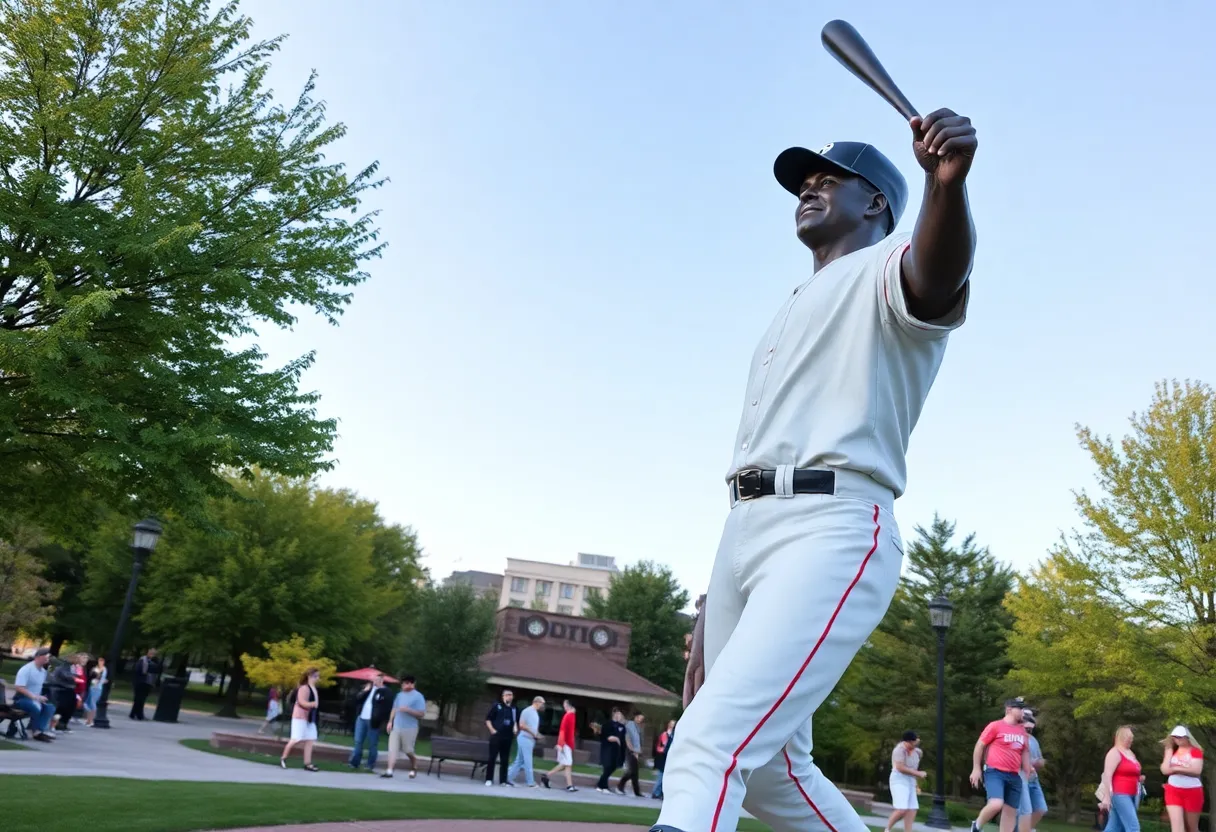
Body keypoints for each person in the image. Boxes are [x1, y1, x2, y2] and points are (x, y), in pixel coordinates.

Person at [655, 106, 979, 832]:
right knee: (770, 771)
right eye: (805, 180)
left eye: (832, 179)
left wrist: (946, 187)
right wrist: (719, 593)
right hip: (745, 529)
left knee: (707, 743)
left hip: (831, 521)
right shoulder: (796, 300)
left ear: (877, 205)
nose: (809, 187)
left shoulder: (889, 270)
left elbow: (937, 273)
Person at [970, 698, 1032, 832]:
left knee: (1010, 812)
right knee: (996, 803)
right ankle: (977, 826)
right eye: (1019, 708)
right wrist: (976, 768)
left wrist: (1027, 770)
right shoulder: (996, 726)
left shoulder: (1022, 731)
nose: (1022, 712)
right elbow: (980, 745)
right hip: (995, 772)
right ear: (1009, 709)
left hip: (1014, 776)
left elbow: (1025, 751)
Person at [6, 648, 56, 742]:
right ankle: (35, 731)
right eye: (46, 657)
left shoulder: (43, 672)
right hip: (21, 699)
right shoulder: (26, 669)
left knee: (50, 707)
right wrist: (34, 697)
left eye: (48, 658)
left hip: (36, 698)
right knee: (35, 707)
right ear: (38, 657)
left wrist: (41, 697)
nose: (47, 660)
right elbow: (19, 687)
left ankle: (39, 731)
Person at [382, 675, 427, 779]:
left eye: (406, 683)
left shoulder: (418, 696)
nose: (403, 685)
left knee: (408, 750)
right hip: (396, 726)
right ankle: (389, 771)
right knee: (392, 749)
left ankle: (414, 763)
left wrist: (408, 710)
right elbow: (394, 708)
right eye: (403, 683)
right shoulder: (399, 695)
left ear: (412, 684)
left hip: (410, 728)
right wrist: (390, 721)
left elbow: (421, 714)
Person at [1098, 726, 1142, 832]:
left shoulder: (1131, 753)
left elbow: (1131, 772)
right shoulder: (1114, 753)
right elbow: (1107, 776)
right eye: (1128, 737)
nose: (1131, 740)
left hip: (1133, 793)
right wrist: (1107, 797)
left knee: (1115, 827)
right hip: (1120, 794)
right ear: (1121, 737)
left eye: (1131, 738)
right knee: (1133, 827)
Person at [1161, 725, 1203, 832]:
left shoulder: (1195, 751)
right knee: (1177, 828)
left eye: (1180, 737)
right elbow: (1165, 770)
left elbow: (1196, 770)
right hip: (1173, 789)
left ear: (1187, 737)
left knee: (1192, 827)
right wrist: (1169, 751)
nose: (1177, 739)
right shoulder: (1171, 750)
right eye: (1175, 737)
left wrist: (1175, 768)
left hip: (1192, 791)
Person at [349, 671, 392, 771]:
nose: (374, 681)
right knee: (358, 741)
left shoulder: (386, 691)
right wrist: (365, 690)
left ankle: (370, 764)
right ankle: (355, 763)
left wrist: (380, 718)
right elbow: (357, 699)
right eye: (373, 679)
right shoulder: (369, 689)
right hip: (361, 718)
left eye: (376, 679)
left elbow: (387, 707)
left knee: (372, 743)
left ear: (381, 680)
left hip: (373, 720)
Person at [280, 668, 320, 772]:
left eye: (318, 676)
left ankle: (308, 763)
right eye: (316, 676)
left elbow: (317, 702)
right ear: (309, 676)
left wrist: (314, 702)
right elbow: (302, 702)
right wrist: (312, 704)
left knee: (310, 739)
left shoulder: (312, 688)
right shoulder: (304, 688)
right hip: (300, 716)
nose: (318, 678)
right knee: (296, 738)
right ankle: (283, 758)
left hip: (310, 718)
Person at [885, 730, 925, 832]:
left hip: (911, 781)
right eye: (911, 743)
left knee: (912, 809)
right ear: (906, 741)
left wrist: (916, 784)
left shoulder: (918, 752)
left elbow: (914, 768)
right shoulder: (899, 750)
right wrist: (918, 774)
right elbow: (900, 767)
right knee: (902, 809)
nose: (913, 744)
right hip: (899, 779)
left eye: (915, 742)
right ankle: (887, 829)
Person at [1018, 710, 1049, 832]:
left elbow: (1040, 759)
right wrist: (1028, 764)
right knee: (1024, 810)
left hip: (1033, 779)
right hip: (1021, 778)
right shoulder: (1016, 737)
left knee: (1041, 809)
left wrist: (1040, 762)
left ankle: (1026, 829)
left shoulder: (1033, 740)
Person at [541, 699, 579, 792]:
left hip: (566, 744)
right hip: (566, 744)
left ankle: (547, 776)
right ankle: (569, 786)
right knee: (568, 764)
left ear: (569, 705)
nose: (564, 707)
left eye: (565, 705)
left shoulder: (571, 716)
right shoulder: (569, 716)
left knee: (565, 764)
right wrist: (561, 744)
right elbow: (563, 731)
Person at [507, 696, 546, 787]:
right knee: (528, 761)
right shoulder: (527, 711)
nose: (543, 705)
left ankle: (507, 779)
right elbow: (522, 725)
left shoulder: (535, 713)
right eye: (542, 703)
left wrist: (537, 734)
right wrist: (533, 733)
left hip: (530, 739)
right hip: (525, 739)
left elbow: (532, 727)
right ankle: (530, 783)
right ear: (536, 702)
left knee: (519, 761)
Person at [484, 689, 518, 786]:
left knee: (505, 759)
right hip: (497, 736)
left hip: (508, 736)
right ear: (503, 696)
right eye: (507, 695)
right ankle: (489, 779)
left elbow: (515, 721)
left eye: (511, 695)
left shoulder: (514, 709)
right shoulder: (497, 706)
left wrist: (515, 728)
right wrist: (492, 730)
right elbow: (488, 719)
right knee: (492, 758)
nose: (509, 697)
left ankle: (503, 780)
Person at [597, 708, 626, 793]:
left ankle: (601, 784)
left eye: (620, 714)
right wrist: (617, 739)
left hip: (617, 751)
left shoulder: (622, 727)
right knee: (607, 767)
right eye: (617, 714)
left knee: (613, 767)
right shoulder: (607, 725)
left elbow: (622, 739)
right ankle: (603, 786)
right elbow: (608, 737)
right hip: (607, 749)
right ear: (613, 714)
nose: (618, 716)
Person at [617, 712, 646, 797]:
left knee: (635, 773)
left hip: (636, 751)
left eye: (642, 718)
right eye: (640, 718)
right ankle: (620, 786)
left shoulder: (638, 727)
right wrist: (633, 750)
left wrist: (639, 751)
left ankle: (637, 792)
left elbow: (639, 740)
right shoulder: (630, 725)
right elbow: (627, 738)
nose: (641, 720)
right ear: (636, 717)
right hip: (630, 751)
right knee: (631, 772)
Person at [129, 648, 157, 720]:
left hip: (146, 682)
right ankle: (138, 714)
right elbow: (138, 670)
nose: (152, 655)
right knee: (139, 699)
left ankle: (134, 713)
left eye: (154, 654)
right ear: (148, 653)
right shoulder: (143, 660)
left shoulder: (151, 661)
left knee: (140, 699)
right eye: (152, 653)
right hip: (141, 682)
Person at [651, 719, 676, 799]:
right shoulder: (665, 734)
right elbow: (664, 746)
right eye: (672, 724)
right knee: (661, 777)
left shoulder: (672, 735)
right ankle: (655, 792)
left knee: (664, 777)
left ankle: (659, 792)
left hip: (666, 758)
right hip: (662, 758)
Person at [83, 657, 106, 727]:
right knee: (89, 703)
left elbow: (98, 677)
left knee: (92, 703)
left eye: (102, 661)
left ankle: (91, 720)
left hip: (96, 687)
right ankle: (88, 720)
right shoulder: (97, 669)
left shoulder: (102, 669)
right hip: (93, 686)